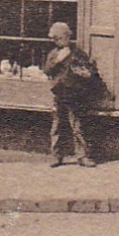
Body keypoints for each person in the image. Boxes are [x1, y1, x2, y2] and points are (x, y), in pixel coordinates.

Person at [44, 21, 98, 167]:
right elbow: (47, 70)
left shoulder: (78, 53)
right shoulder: (54, 54)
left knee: (78, 125)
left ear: (68, 37)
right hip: (59, 93)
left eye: (60, 38)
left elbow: (89, 69)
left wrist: (86, 73)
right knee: (57, 126)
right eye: (55, 39)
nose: (58, 41)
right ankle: (57, 155)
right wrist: (59, 60)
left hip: (74, 94)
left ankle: (82, 155)